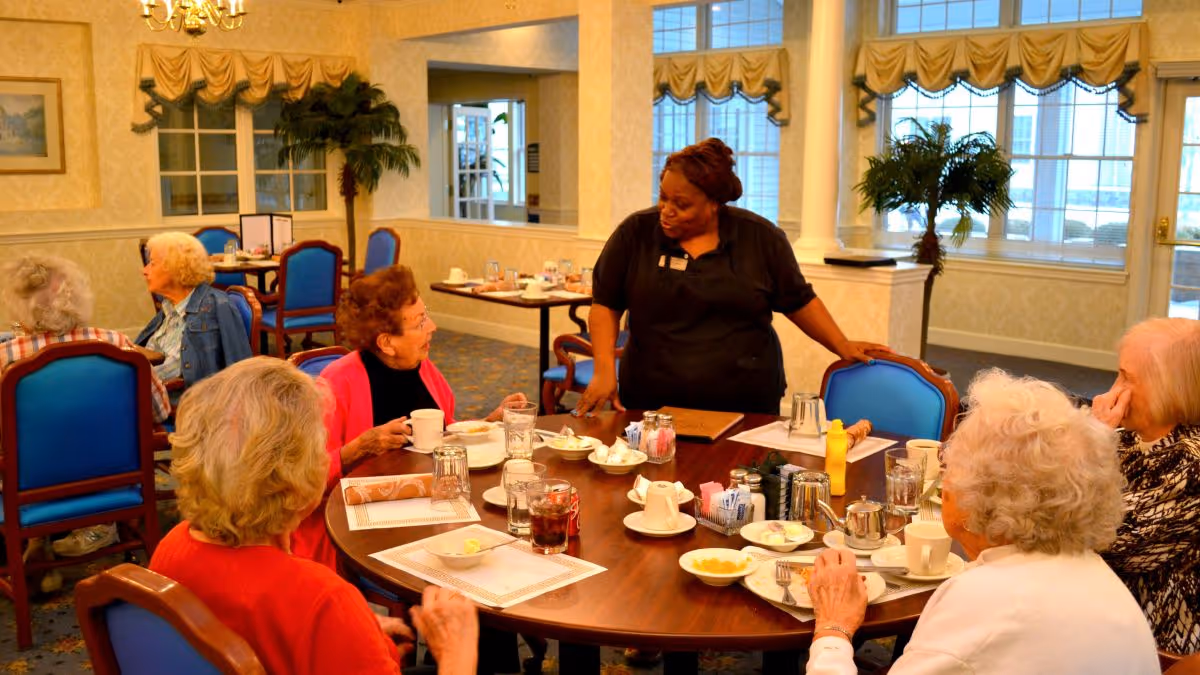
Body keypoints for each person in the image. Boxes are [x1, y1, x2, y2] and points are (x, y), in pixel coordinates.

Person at [806, 370, 1159, 674]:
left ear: (984, 492)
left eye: (951, 464)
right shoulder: (1099, 578)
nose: (945, 482)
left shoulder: (984, 601)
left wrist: (833, 630)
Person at [150, 357, 479, 675]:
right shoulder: (322, 599)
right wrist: (456, 656)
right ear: (295, 472)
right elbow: (290, 607)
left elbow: (250, 621)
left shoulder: (171, 548)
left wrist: (354, 629)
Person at [575, 137, 888, 416]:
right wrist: (604, 369)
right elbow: (606, 304)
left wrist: (841, 344)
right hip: (652, 398)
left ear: (713, 203)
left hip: (745, 400)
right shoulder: (636, 234)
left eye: (681, 204)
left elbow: (798, 300)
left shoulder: (760, 238)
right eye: (663, 197)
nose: (666, 210)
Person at [293, 265, 526, 567]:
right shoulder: (338, 383)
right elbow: (303, 478)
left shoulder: (420, 366)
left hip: (428, 504)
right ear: (387, 343)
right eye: (419, 323)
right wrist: (361, 447)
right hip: (363, 522)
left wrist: (490, 421)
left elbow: (444, 433)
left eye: (425, 315)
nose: (433, 327)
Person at [1, 254, 171, 564]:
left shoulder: (8, 358)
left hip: (34, 486)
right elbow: (159, 412)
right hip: (114, 477)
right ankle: (98, 525)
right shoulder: (118, 345)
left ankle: (39, 538)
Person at [1090, 317, 1200, 654]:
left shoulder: (1189, 465)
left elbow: (1096, 536)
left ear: (1169, 389)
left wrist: (1093, 440)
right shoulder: (1130, 437)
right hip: (1105, 608)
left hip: (1157, 642)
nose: (1112, 388)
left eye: (1126, 377)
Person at [135, 231, 251, 389]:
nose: (145, 270)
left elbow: (241, 371)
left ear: (176, 268)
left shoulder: (219, 307)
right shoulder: (168, 307)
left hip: (182, 400)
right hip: (149, 387)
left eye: (152, 263)